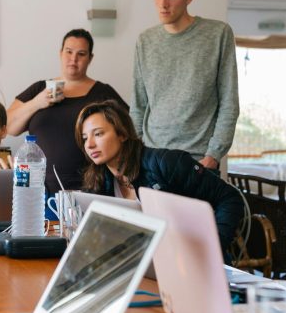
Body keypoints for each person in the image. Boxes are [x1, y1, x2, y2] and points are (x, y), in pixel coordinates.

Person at [75, 99, 243, 259]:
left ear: (122, 134)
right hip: (147, 265)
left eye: (98, 134)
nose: (89, 144)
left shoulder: (166, 163)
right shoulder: (99, 181)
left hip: (191, 262)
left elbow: (230, 197)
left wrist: (213, 248)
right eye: (84, 138)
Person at [130, 0, 239, 171]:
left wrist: (213, 155)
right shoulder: (145, 40)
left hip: (199, 161)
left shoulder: (217, 34)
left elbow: (229, 102)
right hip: (152, 158)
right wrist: (137, 153)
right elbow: (138, 106)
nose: (163, 4)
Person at [7, 28, 127, 194]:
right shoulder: (39, 89)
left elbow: (128, 132)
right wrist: (37, 103)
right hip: (38, 190)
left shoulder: (103, 92)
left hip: (91, 188)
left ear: (90, 58)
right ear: (60, 53)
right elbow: (8, 126)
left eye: (81, 54)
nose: (73, 59)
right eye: (69, 52)